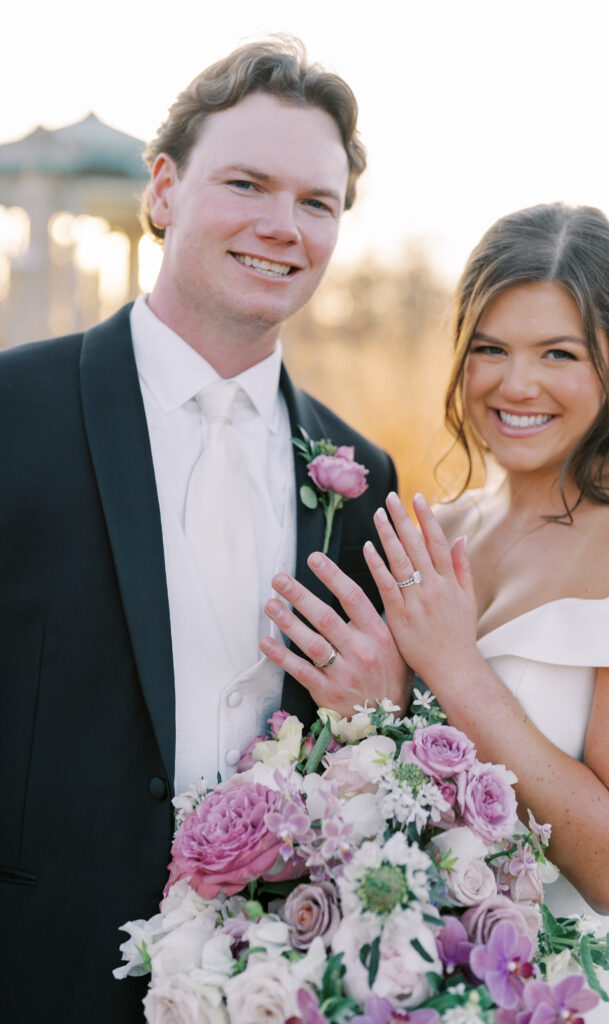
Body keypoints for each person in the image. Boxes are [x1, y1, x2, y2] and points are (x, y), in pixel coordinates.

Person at [0, 38, 409, 1023]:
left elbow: (365, 747)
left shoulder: (361, 479)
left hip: (264, 985)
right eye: (245, 184)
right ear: (163, 190)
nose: (283, 226)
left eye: (316, 203)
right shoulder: (13, 411)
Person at [262, 204, 609, 1021]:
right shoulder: (433, 531)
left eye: (557, 353)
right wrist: (379, 714)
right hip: (425, 984)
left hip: (582, 995)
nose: (513, 384)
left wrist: (453, 669)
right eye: (488, 348)